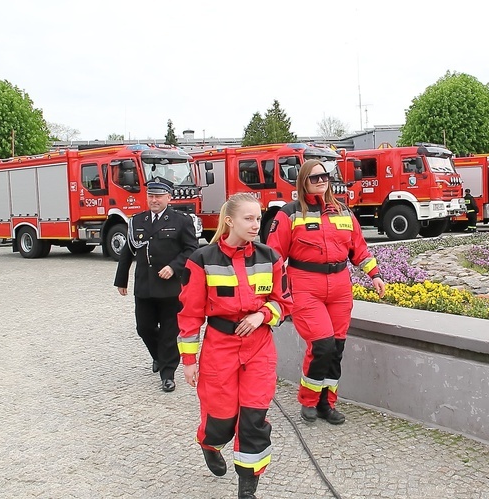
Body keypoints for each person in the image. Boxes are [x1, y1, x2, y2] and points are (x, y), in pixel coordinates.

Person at [178, 193, 292, 499]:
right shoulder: (202, 260)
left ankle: (248, 487)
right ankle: (209, 443)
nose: (256, 225)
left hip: (259, 348)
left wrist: (262, 314)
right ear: (229, 221)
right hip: (220, 348)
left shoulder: (270, 258)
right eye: (249, 219)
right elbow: (190, 314)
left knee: (254, 419)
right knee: (221, 418)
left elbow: (284, 303)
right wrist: (189, 361)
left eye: (259, 218)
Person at [266, 159, 386, 425]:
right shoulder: (290, 214)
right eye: (315, 178)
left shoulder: (344, 212)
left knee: (337, 348)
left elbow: (360, 249)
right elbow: (274, 257)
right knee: (322, 344)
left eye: (325, 177)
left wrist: (374, 275)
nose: (321, 181)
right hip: (306, 285)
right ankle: (308, 399)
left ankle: (326, 403)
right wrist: (272, 296)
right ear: (303, 182)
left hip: (340, 286)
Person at [114, 178, 198, 392]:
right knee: (144, 328)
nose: (154, 200)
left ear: (169, 198)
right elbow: (128, 251)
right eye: (151, 196)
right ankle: (159, 356)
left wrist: (174, 267)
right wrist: (121, 279)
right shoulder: (137, 221)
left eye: (159, 196)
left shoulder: (181, 221)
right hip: (145, 286)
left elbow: (191, 250)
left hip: (170, 288)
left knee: (170, 332)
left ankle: (168, 374)